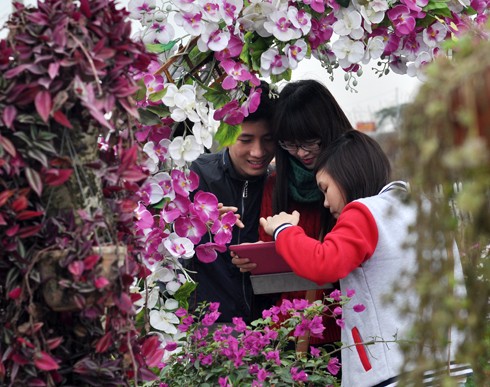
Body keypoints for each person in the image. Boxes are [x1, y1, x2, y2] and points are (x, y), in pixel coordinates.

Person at [260, 130, 473, 387]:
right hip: (448, 364)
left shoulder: (363, 213)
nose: (326, 203)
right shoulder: (426, 208)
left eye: (325, 189)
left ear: (346, 175)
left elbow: (323, 263)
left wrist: (285, 230)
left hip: (393, 373)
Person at [233, 79, 352, 347]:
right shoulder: (275, 185)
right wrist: (254, 262)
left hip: (343, 331)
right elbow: (268, 249)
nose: (300, 153)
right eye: (289, 144)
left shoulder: (352, 183)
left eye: (309, 142)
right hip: (286, 333)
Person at [187, 82, 277, 323]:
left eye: (267, 139)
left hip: (266, 325)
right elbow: (177, 247)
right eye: (246, 140)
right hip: (211, 323)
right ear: (226, 136)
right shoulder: (201, 174)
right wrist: (200, 221)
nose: (258, 152)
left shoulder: (277, 182)